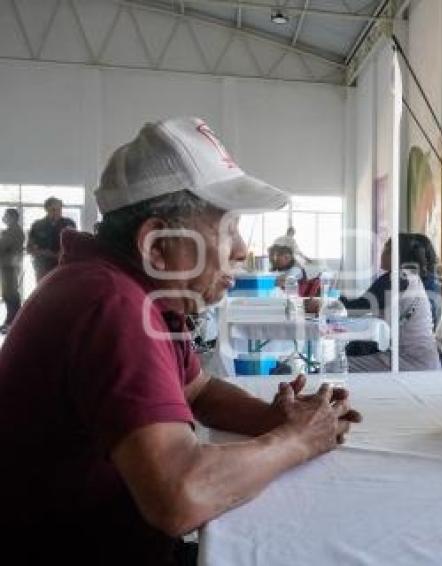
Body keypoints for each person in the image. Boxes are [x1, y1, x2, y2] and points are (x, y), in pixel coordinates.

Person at [0, 117, 360, 564]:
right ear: (157, 246)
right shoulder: (110, 303)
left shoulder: (137, 293)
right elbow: (179, 494)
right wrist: (297, 441)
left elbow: (199, 391)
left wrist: (274, 418)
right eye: (228, 229)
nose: (243, 250)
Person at [311, 233, 441, 372]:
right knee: (343, 358)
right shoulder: (409, 277)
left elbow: (354, 309)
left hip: (410, 361)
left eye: (387, 249)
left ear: (397, 255)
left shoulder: (398, 279)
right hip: (422, 359)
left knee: (331, 369)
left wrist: (323, 304)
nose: (382, 253)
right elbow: (360, 305)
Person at [26, 195, 76, 281]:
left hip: (62, 266)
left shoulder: (69, 224)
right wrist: (43, 252)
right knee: (43, 292)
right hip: (42, 267)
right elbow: (29, 248)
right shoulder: (37, 225)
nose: (57, 212)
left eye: (59, 209)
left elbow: (74, 245)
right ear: (46, 209)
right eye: (53, 210)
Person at [0, 208, 24, 332]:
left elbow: (2, 246)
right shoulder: (10, 231)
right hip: (8, 265)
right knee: (8, 293)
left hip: (10, 266)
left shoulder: (14, 231)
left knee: (11, 294)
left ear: (13, 217)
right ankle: (11, 320)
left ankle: (13, 321)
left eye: (5, 215)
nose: (3, 217)